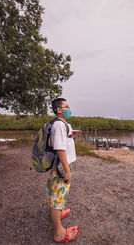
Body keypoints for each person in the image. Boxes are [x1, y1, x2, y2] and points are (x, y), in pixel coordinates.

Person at [46, 98, 79, 243]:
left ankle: (58, 212)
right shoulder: (59, 124)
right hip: (60, 166)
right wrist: (66, 169)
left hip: (61, 165)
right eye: (66, 106)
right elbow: (59, 148)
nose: (69, 108)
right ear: (59, 110)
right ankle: (59, 233)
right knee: (57, 198)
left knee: (57, 194)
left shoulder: (62, 124)